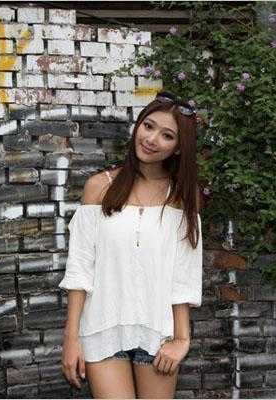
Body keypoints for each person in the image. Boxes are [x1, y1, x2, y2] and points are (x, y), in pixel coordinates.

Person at [59, 91, 203, 398]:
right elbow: (80, 269)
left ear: (178, 148)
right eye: (148, 126)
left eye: (167, 135)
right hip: (102, 330)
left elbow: (182, 275)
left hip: (157, 334)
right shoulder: (99, 187)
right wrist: (72, 338)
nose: (151, 139)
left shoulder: (181, 196)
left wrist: (182, 339)